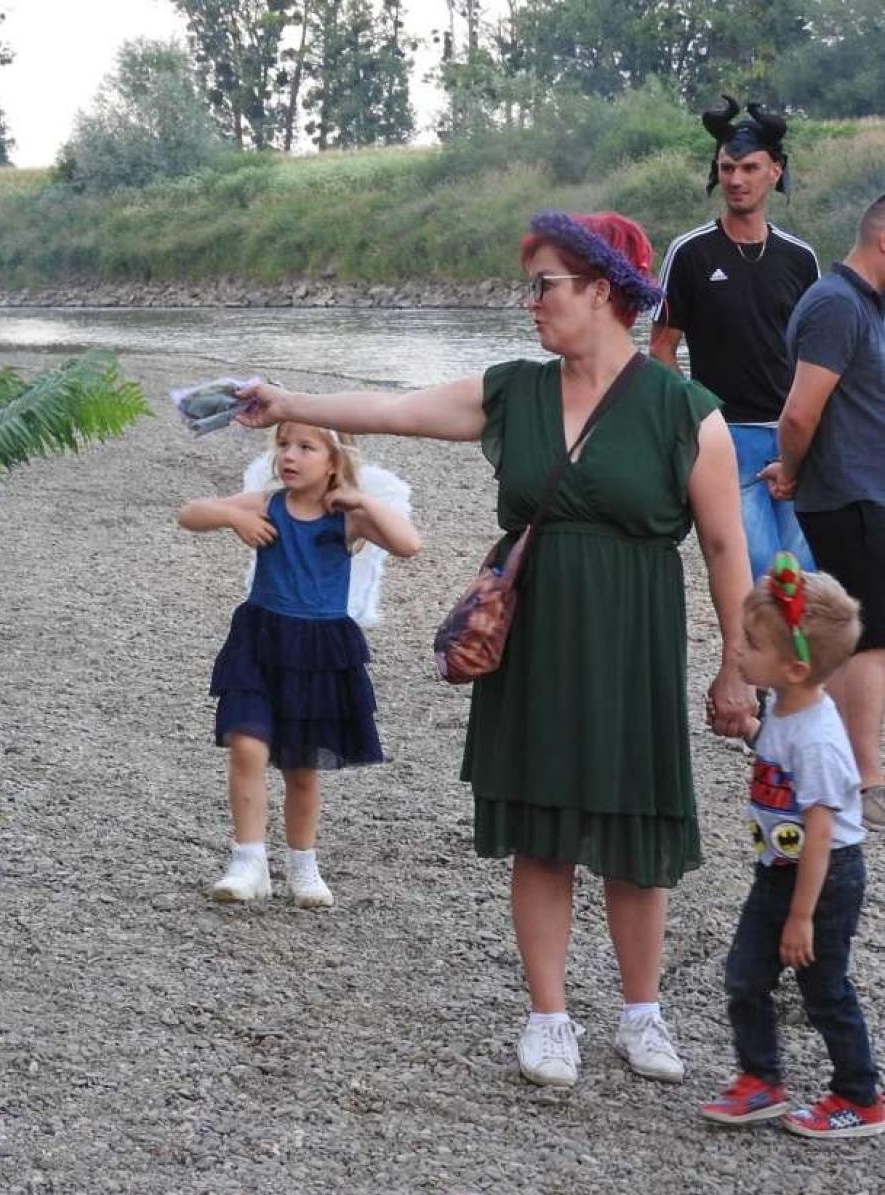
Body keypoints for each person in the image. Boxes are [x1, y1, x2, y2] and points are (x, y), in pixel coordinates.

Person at [238, 211, 758, 1088]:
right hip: (539, 632)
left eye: (545, 284)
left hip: (634, 636)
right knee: (542, 829)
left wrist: (735, 664)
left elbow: (724, 550)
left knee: (638, 828)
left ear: (602, 291)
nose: (532, 302)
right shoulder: (515, 389)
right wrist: (287, 403)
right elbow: (395, 411)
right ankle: (549, 1018)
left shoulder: (685, 412)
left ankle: (642, 1014)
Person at [178, 422, 420, 906]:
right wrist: (231, 517)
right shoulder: (265, 503)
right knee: (247, 746)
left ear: (333, 461)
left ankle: (302, 867)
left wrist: (363, 501)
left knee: (301, 768)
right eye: (283, 445)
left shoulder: (346, 518)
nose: (289, 455)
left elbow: (408, 544)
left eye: (305, 447)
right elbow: (188, 514)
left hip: (318, 651)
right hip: (259, 638)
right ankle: (248, 861)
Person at [701, 558, 883, 1139]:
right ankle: (761, 1080)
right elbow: (778, 759)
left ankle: (860, 1095)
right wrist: (753, 733)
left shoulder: (821, 740)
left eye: (752, 645)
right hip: (777, 870)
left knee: (823, 989)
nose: (739, 653)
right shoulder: (783, 707)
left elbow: (823, 833)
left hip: (823, 879)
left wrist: (802, 917)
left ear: (797, 666)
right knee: (745, 974)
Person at [651, 95, 820, 579]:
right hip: (727, 435)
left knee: (805, 575)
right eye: (727, 168)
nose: (736, 180)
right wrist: (696, 421)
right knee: (759, 571)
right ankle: (748, 654)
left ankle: (788, 659)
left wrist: (815, 433)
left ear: (775, 171)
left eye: (749, 168)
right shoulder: (690, 253)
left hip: (794, 435)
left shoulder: (800, 258)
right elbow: (662, 348)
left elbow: (818, 355)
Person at [762, 194, 885, 829]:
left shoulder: (865, 305)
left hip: (866, 491)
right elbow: (800, 412)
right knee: (869, 639)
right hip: (848, 494)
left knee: (864, 636)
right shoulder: (836, 305)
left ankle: (837, 761)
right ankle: (865, 780)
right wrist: (793, 470)